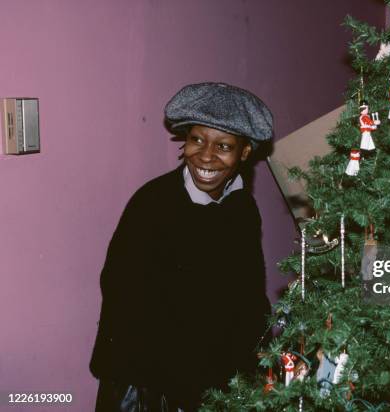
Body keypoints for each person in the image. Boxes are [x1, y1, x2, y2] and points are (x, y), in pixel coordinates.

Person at [89, 82, 273, 412]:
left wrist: (258, 356)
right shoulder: (153, 203)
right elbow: (122, 291)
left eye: (224, 146)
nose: (206, 155)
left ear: (245, 153)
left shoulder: (243, 208)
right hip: (146, 382)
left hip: (212, 379)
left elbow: (248, 292)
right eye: (197, 139)